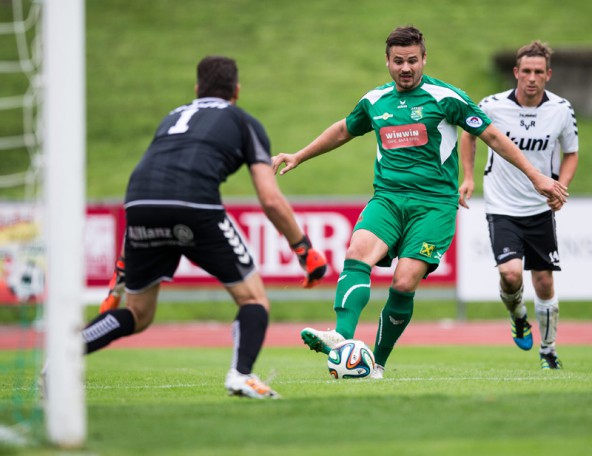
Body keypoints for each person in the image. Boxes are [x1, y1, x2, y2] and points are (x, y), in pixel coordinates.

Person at [272, 26, 568, 379]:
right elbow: (343, 129)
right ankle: (342, 335)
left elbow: (489, 134)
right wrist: (300, 155)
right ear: (387, 62)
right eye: (398, 61)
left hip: (434, 206)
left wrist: (536, 177)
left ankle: (377, 364)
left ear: (424, 59)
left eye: (412, 60)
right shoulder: (375, 101)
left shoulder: (447, 98)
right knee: (357, 253)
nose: (406, 68)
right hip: (388, 199)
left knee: (403, 282)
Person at [82, 55, 328, 399]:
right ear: (236, 91)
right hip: (193, 206)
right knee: (253, 298)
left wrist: (121, 272)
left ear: (197, 89)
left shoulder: (172, 117)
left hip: (138, 206)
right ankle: (241, 375)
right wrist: (303, 248)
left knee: (137, 314)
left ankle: (63, 357)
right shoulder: (243, 121)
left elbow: (151, 191)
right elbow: (270, 199)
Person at [459, 41, 578, 369]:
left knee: (544, 281)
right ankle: (518, 316)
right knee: (511, 275)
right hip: (502, 206)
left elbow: (571, 151)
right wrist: (468, 177)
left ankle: (549, 350)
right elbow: (468, 133)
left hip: (540, 208)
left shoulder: (561, 110)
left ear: (548, 75)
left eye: (538, 72)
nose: (531, 77)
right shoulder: (492, 106)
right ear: (515, 72)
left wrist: (561, 187)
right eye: (526, 71)